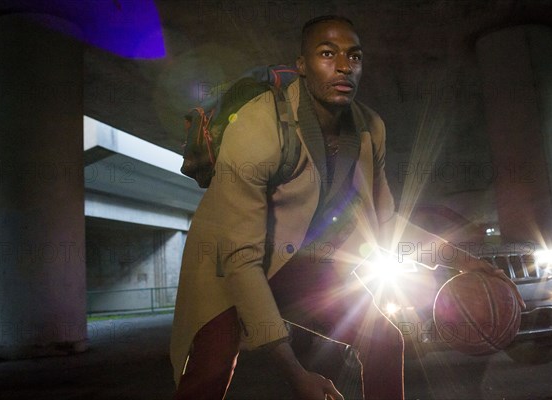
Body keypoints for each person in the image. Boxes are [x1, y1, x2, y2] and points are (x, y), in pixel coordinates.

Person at [170, 15, 520, 400]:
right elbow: (240, 259)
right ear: (301, 66)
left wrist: (463, 260)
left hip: (293, 257)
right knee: (212, 367)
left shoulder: (370, 128)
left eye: (354, 57)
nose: (343, 66)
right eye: (326, 53)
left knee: (385, 341)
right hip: (228, 259)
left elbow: (384, 221)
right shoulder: (257, 127)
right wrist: (296, 373)